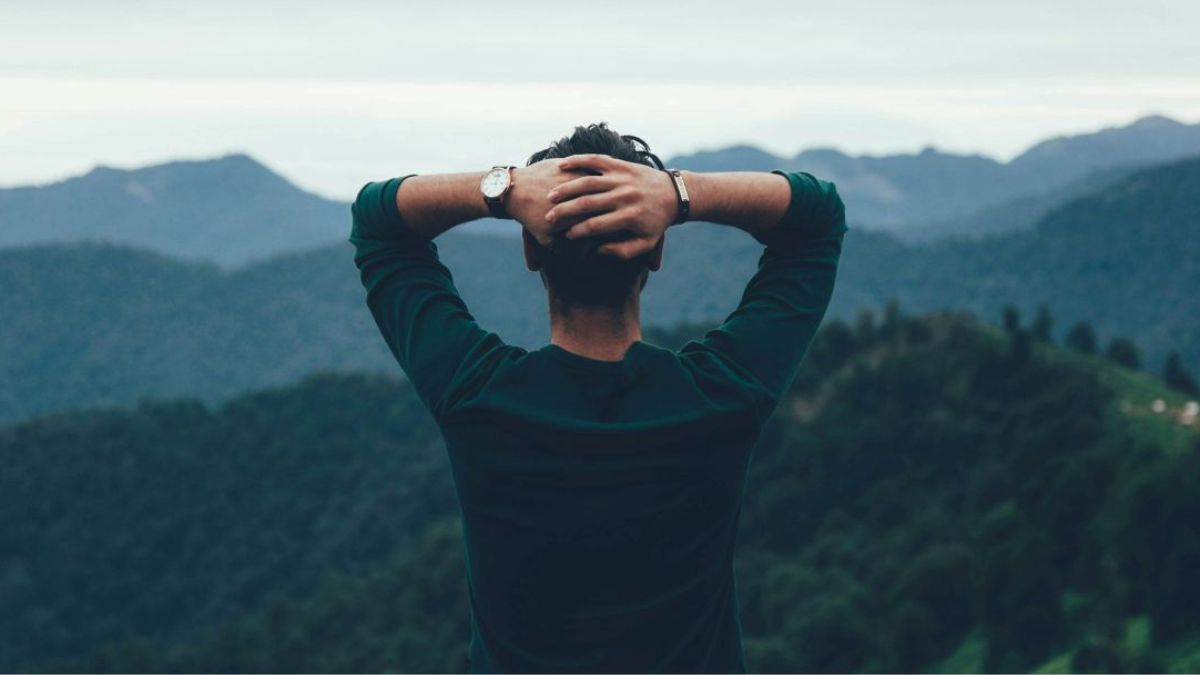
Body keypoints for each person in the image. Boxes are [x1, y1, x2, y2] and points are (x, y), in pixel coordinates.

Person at [349, 122, 847, 673]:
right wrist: (677, 194)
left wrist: (508, 191)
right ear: (655, 252)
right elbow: (816, 220)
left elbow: (379, 223)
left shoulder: (478, 397)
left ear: (529, 253)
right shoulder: (722, 398)